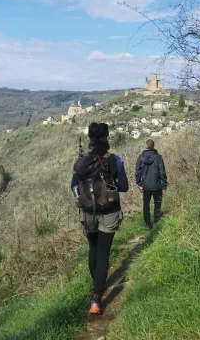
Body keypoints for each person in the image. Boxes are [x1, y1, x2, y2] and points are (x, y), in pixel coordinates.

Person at [71, 122, 128, 315]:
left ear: (90, 139)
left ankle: (96, 282)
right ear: (107, 137)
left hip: (87, 212)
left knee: (93, 248)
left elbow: (74, 185)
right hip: (109, 211)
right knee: (103, 252)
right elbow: (124, 186)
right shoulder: (115, 159)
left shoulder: (82, 160)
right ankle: (96, 297)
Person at [135, 139, 167, 229]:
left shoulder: (140, 157)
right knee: (157, 204)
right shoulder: (158, 157)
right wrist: (164, 185)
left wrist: (139, 184)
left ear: (146, 145)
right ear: (153, 146)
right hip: (157, 185)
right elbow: (162, 172)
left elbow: (137, 172)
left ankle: (148, 224)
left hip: (146, 186)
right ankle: (156, 222)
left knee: (146, 205)